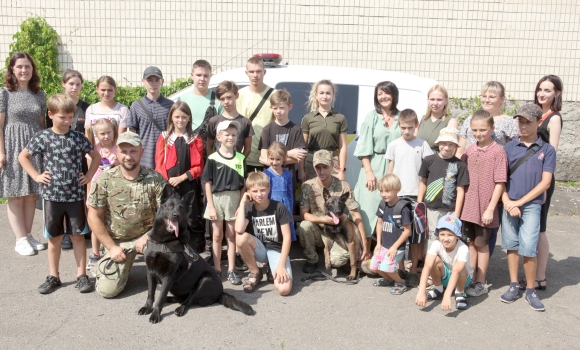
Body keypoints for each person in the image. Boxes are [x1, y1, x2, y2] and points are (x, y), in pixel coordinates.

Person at [18, 94, 101, 294]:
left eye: (71, 117)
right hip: (52, 197)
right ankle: (53, 276)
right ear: (51, 115)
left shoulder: (78, 137)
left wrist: (89, 176)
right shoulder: (43, 137)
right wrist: (36, 176)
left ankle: (82, 275)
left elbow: (95, 155)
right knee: (54, 238)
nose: (67, 121)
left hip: (74, 197)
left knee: (77, 236)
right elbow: (23, 156)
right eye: (63, 117)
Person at [87, 131, 166, 298]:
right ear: (117, 152)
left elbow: (168, 214)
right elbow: (93, 216)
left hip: (148, 239)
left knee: (174, 284)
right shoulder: (105, 179)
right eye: (124, 151)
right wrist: (111, 247)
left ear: (141, 152)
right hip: (118, 241)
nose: (128, 156)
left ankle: (161, 272)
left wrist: (150, 236)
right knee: (107, 291)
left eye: (133, 151)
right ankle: (108, 264)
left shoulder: (155, 178)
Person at [500, 104, 555, 312]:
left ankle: (530, 290)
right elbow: (500, 179)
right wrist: (506, 201)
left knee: (529, 247)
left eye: (528, 122)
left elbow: (545, 183)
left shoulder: (547, 150)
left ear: (539, 122)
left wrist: (519, 203)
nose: (523, 126)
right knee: (511, 245)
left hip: (530, 206)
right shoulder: (508, 148)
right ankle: (514, 285)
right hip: (509, 204)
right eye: (520, 121)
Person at [458, 81, 519, 258]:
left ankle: (483, 269)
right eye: (484, 96)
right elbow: (462, 147)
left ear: (501, 99)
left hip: (492, 179)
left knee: (487, 228)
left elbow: (514, 149)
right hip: (471, 178)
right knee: (468, 230)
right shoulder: (471, 119)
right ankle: (470, 267)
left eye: (492, 96)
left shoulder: (508, 122)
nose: (487, 99)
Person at [0, 52, 47, 256]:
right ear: (12, 69)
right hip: (12, 144)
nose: (23, 70)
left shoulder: (39, 94)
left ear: (32, 69)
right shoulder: (4, 93)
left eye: (27, 66)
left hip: (34, 145)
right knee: (16, 194)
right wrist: (1, 152)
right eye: (19, 66)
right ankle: (19, 239)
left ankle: (28, 235)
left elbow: (42, 124)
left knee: (30, 194)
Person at [460, 110, 507, 297]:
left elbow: (500, 182)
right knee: (471, 243)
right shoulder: (470, 150)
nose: (478, 133)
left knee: (482, 244)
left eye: (482, 130)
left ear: (492, 128)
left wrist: (490, 208)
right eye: (474, 130)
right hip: (469, 206)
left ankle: (481, 280)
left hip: (485, 207)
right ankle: (471, 275)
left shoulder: (498, 152)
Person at [298, 150, 369, 273]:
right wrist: (322, 220)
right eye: (318, 167)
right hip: (318, 230)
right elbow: (303, 214)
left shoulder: (343, 187)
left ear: (332, 166)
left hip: (337, 234)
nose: (321, 171)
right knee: (304, 226)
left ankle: (346, 261)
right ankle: (312, 260)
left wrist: (365, 245)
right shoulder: (307, 186)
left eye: (325, 167)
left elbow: (356, 215)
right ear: (314, 168)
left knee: (337, 261)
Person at [385, 109, 433, 286]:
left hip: (416, 195)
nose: (407, 131)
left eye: (410, 128)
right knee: (398, 233)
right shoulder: (394, 145)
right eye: (403, 128)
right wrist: (388, 191)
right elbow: (390, 170)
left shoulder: (423, 145)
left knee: (416, 234)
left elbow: (427, 172)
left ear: (416, 126)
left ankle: (413, 270)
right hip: (398, 195)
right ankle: (400, 268)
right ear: (399, 126)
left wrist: (423, 196)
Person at [353, 81, 402, 251]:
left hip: (395, 167)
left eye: (386, 93)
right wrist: (369, 172)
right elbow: (364, 148)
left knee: (391, 211)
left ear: (394, 95)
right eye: (379, 94)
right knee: (367, 208)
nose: (383, 97)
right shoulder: (371, 117)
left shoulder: (402, 117)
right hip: (373, 166)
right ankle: (365, 251)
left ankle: (389, 252)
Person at [202, 120, 246, 285]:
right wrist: (211, 206)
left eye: (234, 135)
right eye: (227, 134)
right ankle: (217, 269)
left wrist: (241, 205)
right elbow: (207, 182)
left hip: (234, 200)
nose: (231, 137)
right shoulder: (212, 158)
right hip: (217, 200)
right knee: (217, 236)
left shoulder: (241, 158)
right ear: (218, 137)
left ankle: (231, 269)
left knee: (231, 235)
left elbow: (243, 185)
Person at [235, 172, 293, 295]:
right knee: (240, 238)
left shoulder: (278, 207)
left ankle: (273, 268)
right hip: (259, 249)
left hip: (276, 250)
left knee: (284, 289)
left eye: (263, 190)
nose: (259, 194)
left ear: (269, 189)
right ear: (249, 192)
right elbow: (239, 229)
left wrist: (281, 265)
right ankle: (255, 272)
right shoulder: (248, 207)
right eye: (254, 191)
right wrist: (242, 203)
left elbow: (287, 237)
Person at [532, 75, 563, 291]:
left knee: (540, 228)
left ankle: (540, 276)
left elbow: (552, 153)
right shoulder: (535, 115)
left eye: (548, 90)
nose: (542, 94)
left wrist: (544, 186)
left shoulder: (554, 118)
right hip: (528, 177)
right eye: (540, 89)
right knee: (531, 227)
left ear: (557, 94)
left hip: (542, 178)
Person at [56, 69, 92, 250]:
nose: (74, 87)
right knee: (63, 194)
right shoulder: (57, 105)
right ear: (64, 84)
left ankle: (81, 228)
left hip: (82, 157)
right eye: (71, 83)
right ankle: (65, 232)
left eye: (78, 84)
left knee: (83, 193)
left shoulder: (87, 108)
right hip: (62, 158)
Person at [418, 127, 469, 250]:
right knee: (432, 236)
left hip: (450, 209)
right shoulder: (428, 160)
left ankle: (446, 265)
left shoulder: (460, 165)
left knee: (449, 237)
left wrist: (456, 213)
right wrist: (420, 204)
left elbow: (460, 190)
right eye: (443, 143)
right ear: (438, 143)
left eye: (451, 144)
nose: (446, 147)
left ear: (456, 146)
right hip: (431, 208)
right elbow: (423, 182)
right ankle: (431, 264)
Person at [415, 215, 473, 311]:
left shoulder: (463, 248)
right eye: (442, 234)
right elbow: (427, 266)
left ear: (457, 236)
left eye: (450, 235)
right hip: (446, 275)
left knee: (461, 269)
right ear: (438, 234)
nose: (446, 239)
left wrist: (447, 297)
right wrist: (421, 291)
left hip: (462, 278)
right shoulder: (436, 244)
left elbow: (456, 272)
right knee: (434, 260)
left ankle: (460, 293)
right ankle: (438, 288)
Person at [85, 117, 120, 271]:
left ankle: (111, 249)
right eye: (102, 133)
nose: (106, 136)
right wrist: (88, 195)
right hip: (98, 191)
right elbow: (90, 175)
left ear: (114, 132)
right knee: (97, 223)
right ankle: (95, 253)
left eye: (108, 132)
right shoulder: (94, 150)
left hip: (115, 191)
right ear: (96, 135)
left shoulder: (119, 149)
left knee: (113, 222)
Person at [369, 174, 411, 295]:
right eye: (381, 191)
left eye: (387, 191)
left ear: (397, 189)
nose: (383, 194)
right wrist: (378, 243)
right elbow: (379, 223)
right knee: (374, 265)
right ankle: (388, 279)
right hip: (384, 245)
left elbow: (407, 231)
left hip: (397, 247)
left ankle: (401, 282)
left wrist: (395, 247)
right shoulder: (383, 204)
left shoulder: (403, 208)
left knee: (386, 266)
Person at [126, 66, 174, 169]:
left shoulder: (170, 105)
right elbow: (131, 132)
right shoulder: (136, 106)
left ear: (162, 81)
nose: (153, 83)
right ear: (143, 81)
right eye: (150, 80)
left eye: (157, 80)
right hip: (143, 158)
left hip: (165, 156)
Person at [155, 101, 204, 197]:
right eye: (177, 117)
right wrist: (166, 182)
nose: (180, 120)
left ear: (189, 118)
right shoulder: (164, 138)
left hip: (188, 187)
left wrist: (181, 178)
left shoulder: (195, 140)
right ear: (171, 118)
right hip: (168, 187)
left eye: (184, 117)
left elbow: (199, 166)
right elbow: (159, 164)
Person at [300, 80, 347, 182]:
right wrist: (301, 169)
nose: (324, 96)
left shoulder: (340, 118)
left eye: (328, 93)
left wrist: (342, 170)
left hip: (332, 161)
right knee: (313, 194)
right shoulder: (308, 118)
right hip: (312, 161)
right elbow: (302, 147)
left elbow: (342, 147)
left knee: (333, 195)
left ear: (333, 96)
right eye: (321, 93)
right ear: (316, 95)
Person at [258, 89, 307, 182]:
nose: (278, 111)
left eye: (282, 108)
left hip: (289, 178)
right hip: (269, 179)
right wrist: (290, 154)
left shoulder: (296, 129)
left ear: (290, 107)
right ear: (271, 108)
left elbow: (298, 158)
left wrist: (272, 160)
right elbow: (264, 157)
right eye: (275, 108)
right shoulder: (267, 129)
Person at [236, 57, 275, 173]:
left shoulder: (274, 94)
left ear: (264, 72)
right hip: (243, 157)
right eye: (252, 72)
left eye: (258, 71)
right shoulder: (239, 95)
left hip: (267, 158)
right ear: (246, 73)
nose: (255, 75)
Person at [177, 59, 224, 151]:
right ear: (192, 75)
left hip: (210, 152)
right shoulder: (182, 99)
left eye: (206, 76)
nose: (202, 79)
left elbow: (223, 129)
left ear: (211, 76)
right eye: (199, 75)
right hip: (186, 150)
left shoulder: (218, 100)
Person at [206, 81, 254, 158]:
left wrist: (240, 162)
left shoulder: (246, 122)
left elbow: (247, 149)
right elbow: (209, 147)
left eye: (229, 97)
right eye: (222, 99)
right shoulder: (213, 121)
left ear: (236, 95)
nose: (226, 102)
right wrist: (213, 163)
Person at [264, 142, 296, 241]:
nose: (274, 162)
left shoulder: (287, 174)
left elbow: (290, 194)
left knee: (285, 229)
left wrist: (291, 211)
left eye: (278, 159)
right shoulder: (266, 174)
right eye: (271, 159)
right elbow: (265, 193)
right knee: (274, 228)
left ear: (284, 159)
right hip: (271, 204)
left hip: (285, 204)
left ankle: (285, 250)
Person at [416, 85, 459, 153]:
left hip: (437, 162)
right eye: (432, 99)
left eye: (439, 100)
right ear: (428, 100)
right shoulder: (420, 119)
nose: (435, 103)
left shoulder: (451, 122)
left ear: (446, 101)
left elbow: (451, 150)